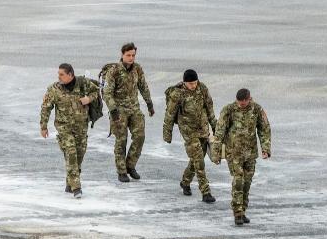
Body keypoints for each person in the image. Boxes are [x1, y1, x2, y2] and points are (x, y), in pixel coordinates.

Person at [40, 63, 99, 198]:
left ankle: (70, 182)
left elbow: (97, 91)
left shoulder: (83, 83)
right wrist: (43, 126)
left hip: (81, 127)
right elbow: (46, 108)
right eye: (58, 74)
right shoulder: (54, 89)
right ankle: (76, 187)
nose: (59, 77)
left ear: (70, 74)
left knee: (79, 154)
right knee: (71, 152)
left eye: (62, 74)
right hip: (64, 127)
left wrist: (88, 99)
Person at [215, 88, 270, 225]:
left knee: (247, 183)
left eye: (244, 103)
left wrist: (266, 149)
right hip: (233, 153)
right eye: (239, 103)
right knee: (238, 180)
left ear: (249, 99)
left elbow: (264, 129)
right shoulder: (229, 110)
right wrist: (216, 153)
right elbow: (220, 131)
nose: (241, 105)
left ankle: (243, 210)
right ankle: (237, 213)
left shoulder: (257, 109)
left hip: (250, 154)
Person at [101, 42, 154, 182]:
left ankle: (130, 165)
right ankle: (121, 171)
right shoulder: (114, 71)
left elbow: (143, 86)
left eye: (133, 55)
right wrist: (113, 110)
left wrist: (149, 103)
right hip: (119, 110)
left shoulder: (137, 69)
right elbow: (107, 92)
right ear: (122, 55)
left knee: (139, 137)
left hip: (134, 108)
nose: (131, 58)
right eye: (128, 55)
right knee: (121, 140)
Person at [163, 69, 218, 203]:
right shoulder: (177, 94)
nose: (193, 86)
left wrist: (216, 128)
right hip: (188, 131)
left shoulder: (202, 88)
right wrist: (167, 133)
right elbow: (169, 114)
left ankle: (185, 182)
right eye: (190, 83)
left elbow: (209, 108)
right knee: (199, 161)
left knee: (197, 158)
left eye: (195, 82)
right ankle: (206, 192)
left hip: (203, 128)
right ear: (184, 82)